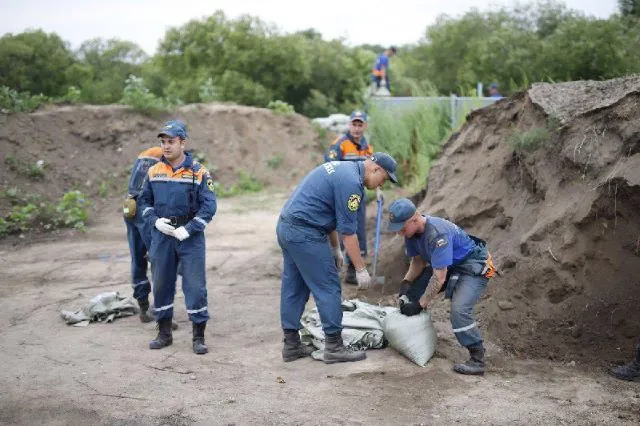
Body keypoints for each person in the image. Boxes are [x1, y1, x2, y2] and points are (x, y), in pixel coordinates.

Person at [277, 152, 399, 364]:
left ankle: (291, 345)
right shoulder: (352, 184)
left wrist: (335, 249)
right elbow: (349, 233)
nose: (381, 185)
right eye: (384, 179)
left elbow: (330, 214)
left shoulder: (343, 169)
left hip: (288, 227)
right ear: (375, 169)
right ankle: (334, 346)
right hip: (306, 233)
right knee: (329, 286)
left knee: (294, 286)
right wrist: (360, 269)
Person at [387, 198, 496, 375]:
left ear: (415, 218)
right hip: (448, 265)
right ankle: (417, 336)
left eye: (402, 227)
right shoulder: (411, 234)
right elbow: (418, 261)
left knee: (459, 310)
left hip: (472, 266)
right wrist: (406, 282)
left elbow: (439, 278)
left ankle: (477, 359)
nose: (399, 232)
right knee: (413, 293)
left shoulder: (437, 235)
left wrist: (420, 304)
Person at [139, 120, 217, 355]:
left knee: (195, 285)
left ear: (183, 143)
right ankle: (164, 333)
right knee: (161, 282)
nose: (166, 146)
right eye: (163, 142)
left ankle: (198, 336)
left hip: (189, 237)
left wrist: (190, 229)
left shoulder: (198, 172)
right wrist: (155, 221)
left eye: (171, 141)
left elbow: (209, 207)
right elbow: (143, 201)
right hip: (162, 235)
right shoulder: (153, 171)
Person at [324, 110, 375, 285]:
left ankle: (352, 272)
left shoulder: (367, 146)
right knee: (341, 231)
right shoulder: (339, 144)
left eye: (360, 125)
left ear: (365, 126)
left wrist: (378, 189)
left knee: (358, 230)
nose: (357, 128)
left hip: (358, 196)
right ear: (349, 125)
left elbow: (372, 168)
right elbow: (329, 168)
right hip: (340, 196)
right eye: (354, 124)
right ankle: (334, 270)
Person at [123, 146, 163, 322]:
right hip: (145, 209)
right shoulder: (168, 158)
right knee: (160, 257)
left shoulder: (145, 153)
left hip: (129, 205)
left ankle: (143, 307)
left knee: (137, 258)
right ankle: (160, 309)